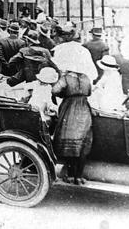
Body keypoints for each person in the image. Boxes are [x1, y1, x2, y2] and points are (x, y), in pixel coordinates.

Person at [51, 26, 97, 185]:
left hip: (69, 107)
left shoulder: (60, 54)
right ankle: (79, 176)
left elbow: (55, 90)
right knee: (82, 141)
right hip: (84, 108)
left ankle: (69, 174)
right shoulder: (85, 73)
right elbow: (91, 87)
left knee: (67, 139)